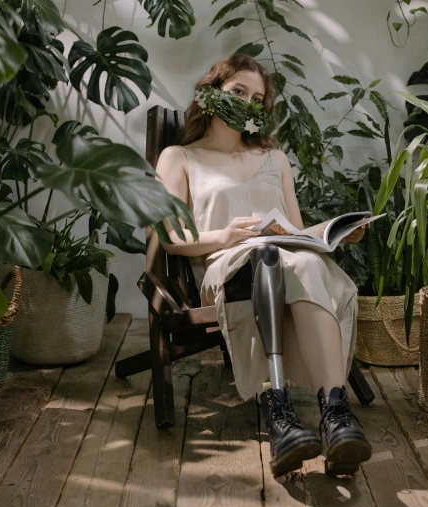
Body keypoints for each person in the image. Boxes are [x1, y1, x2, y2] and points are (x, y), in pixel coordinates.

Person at [155, 54, 372, 477]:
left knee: (299, 262)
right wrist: (225, 236)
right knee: (277, 260)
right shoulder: (178, 157)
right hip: (225, 266)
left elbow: (293, 227)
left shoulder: (274, 157)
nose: (248, 103)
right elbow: (171, 239)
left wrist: (333, 232)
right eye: (238, 91)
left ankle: (332, 414)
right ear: (211, 93)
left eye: (257, 98)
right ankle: (284, 412)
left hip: (285, 259)